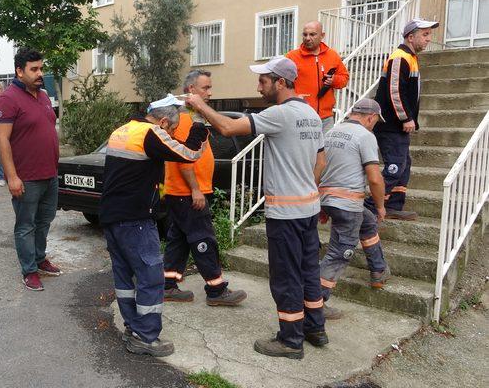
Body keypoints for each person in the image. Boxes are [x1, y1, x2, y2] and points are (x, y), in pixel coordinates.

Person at [186, 57, 327, 360]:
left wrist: (199, 105)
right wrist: (304, 189)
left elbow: (225, 128)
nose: (258, 87)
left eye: (263, 81)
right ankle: (315, 328)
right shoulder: (311, 114)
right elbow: (321, 162)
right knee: (308, 271)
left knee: (286, 276)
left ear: (280, 82)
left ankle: (290, 340)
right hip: (308, 209)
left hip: (286, 215)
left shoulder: (280, 114)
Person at [100, 96, 209, 358]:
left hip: (112, 216)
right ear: (162, 121)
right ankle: (145, 336)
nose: (170, 135)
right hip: (135, 219)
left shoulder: (123, 130)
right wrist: (199, 123)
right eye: (170, 130)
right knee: (150, 276)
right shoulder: (151, 132)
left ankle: (132, 327)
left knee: (125, 277)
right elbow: (189, 153)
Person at [163, 70, 247, 306]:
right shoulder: (182, 118)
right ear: (191, 90)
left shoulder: (194, 116)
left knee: (178, 241)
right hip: (187, 193)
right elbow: (183, 158)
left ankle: (167, 286)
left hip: (182, 193)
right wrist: (196, 190)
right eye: (205, 88)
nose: (210, 93)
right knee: (203, 239)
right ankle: (216, 290)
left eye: (210, 88)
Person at [0, 48, 61, 291]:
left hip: (49, 174)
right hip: (26, 178)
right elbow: (2, 140)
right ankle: (29, 270)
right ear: (19, 71)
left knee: (45, 221)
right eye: (34, 69)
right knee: (26, 225)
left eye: (41, 68)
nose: (40, 73)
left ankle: (40, 258)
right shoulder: (7, 99)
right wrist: (11, 177)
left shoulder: (43, 95)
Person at [318, 98, 391, 320]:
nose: (374, 125)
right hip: (347, 203)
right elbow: (375, 179)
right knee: (340, 253)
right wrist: (380, 206)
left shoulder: (331, 132)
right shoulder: (366, 136)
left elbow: (318, 165)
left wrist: (320, 202)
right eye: (376, 121)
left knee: (367, 222)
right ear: (370, 117)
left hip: (327, 197)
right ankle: (315, 301)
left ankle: (378, 270)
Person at [364, 19, 439, 221]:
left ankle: (393, 204)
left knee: (404, 164)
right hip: (391, 125)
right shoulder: (400, 57)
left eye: (429, 35)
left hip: (396, 125)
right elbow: (395, 91)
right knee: (395, 166)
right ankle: (369, 206)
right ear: (410, 36)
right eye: (425, 35)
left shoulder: (410, 58)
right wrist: (406, 118)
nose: (428, 39)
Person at [286, 21, 349, 135]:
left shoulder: (332, 55)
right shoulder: (291, 57)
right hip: (301, 116)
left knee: (325, 152)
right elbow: (281, 83)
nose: (307, 38)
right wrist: (294, 97)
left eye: (312, 34)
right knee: (304, 152)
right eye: (305, 35)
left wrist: (333, 80)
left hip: (326, 119)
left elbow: (344, 79)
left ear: (322, 35)